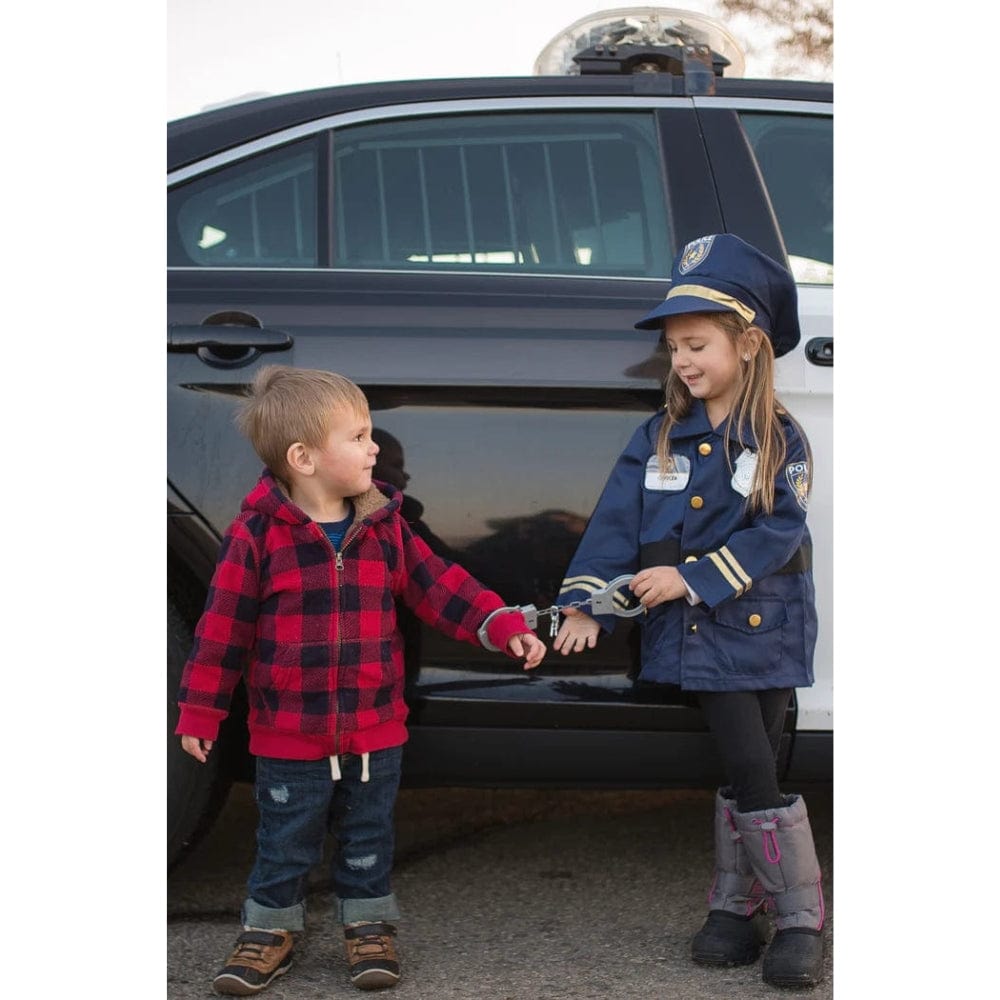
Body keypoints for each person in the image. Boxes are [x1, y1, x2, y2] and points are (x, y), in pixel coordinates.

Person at [175, 366, 545, 995]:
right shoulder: (257, 537)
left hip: (375, 730)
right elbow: (221, 631)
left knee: (368, 837)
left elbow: (442, 587)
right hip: (288, 734)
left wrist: (498, 621)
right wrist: (200, 713)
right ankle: (269, 931)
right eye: (360, 435)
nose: (376, 447)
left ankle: (368, 927)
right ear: (305, 458)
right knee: (284, 843)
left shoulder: (384, 526)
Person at [552, 234, 825, 988]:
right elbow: (613, 528)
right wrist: (586, 607)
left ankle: (797, 917)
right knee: (745, 764)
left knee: (755, 761)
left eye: (697, 343)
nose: (682, 361)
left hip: (759, 630)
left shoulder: (777, 438)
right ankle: (739, 908)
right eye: (674, 348)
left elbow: (779, 531)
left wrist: (692, 577)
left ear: (749, 343)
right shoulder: (658, 437)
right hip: (700, 641)